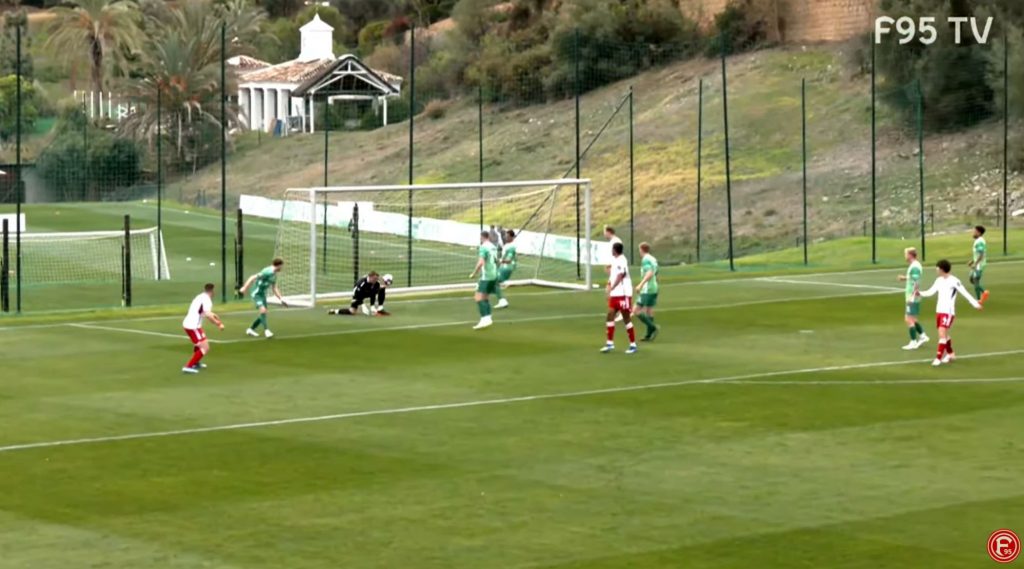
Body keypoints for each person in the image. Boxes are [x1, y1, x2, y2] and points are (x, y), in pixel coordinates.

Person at [917, 259, 982, 367]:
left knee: (942, 334)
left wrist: (975, 304)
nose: (936, 269)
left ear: (942, 269)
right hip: (939, 310)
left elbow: (964, 293)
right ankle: (951, 354)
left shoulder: (954, 281)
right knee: (945, 334)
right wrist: (920, 293)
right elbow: (931, 292)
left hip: (948, 311)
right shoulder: (938, 280)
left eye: (937, 267)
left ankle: (938, 358)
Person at [601, 241, 638, 354]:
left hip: (624, 293)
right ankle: (609, 343)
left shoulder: (622, 260)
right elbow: (613, 275)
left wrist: (612, 287)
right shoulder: (614, 260)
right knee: (610, 315)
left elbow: (620, 275)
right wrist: (609, 286)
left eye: (612, 249)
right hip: (615, 294)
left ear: (615, 250)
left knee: (626, 318)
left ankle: (633, 345)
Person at [181, 283, 224, 374]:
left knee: (199, 344)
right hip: (193, 326)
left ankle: (196, 363)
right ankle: (188, 366)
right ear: (212, 291)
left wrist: (213, 314)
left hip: (190, 324)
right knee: (205, 347)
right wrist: (218, 324)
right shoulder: (207, 300)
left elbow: (204, 311)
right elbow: (207, 314)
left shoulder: (200, 296)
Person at [240, 258, 285, 338]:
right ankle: (266, 330)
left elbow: (274, 288)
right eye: (281, 266)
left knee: (263, 313)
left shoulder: (274, 275)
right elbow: (252, 277)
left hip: (262, 294)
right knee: (263, 310)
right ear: (278, 265)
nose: (282, 268)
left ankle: (251, 329)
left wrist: (281, 299)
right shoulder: (267, 272)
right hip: (256, 293)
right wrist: (244, 288)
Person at [897, 247, 929, 350]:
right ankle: (923, 336)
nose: (905, 256)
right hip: (913, 295)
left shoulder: (915, 266)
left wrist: (913, 296)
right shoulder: (914, 266)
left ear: (910, 255)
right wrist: (905, 278)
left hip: (912, 296)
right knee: (913, 319)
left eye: (906, 254)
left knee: (908, 318)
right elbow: (914, 278)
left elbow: (916, 282)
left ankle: (913, 341)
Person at [469, 230, 498, 330]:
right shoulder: (493, 246)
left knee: (478, 297)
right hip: (494, 274)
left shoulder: (483, 247)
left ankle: (484, 319)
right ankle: (488, 318)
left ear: (481, 237)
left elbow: (481, 262)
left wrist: (474, 273)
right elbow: (496, 260)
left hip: (487, 276)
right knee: (485, 297)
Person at [328, 272, 392, 316]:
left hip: (367, 292)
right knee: (352, 311)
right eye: (375, 279)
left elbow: (373, 293)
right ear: (370, 277)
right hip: (357, 296)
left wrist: (372, 306)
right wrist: (363, 306)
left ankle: (380, 309)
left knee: (381, 288)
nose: (376, 280)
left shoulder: (375, 283)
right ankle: (335, 311)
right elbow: (357, 296)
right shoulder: (361, 283)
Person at [634, 242, 660, 341]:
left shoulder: (645, 259)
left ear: (641, 250)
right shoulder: (653, 259)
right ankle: (648, 335)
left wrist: (640, 285)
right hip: (654, 287)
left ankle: (653, 327)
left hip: (647, 288)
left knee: (636, 310)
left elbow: (649, 273)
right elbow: (656, 273)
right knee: (649, 310)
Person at [604, 226, 625, 322]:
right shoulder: (612, 241)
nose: (604, 234)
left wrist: (611, 266)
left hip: (616, 270)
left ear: (608, 232)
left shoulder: (616, 241)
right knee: (609, 291)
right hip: (613, 270)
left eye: (604, 232)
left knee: (611, 291)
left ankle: (621, 311)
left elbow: (618, 255)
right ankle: (618, 310)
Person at [495, 229, 517, 309]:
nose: (506, 237)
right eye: (505, 236)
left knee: (494, 281)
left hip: (507, 267)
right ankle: (501, 300)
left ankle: (502, 300)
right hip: (503, 266)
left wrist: (500, 260)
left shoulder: (512, 247)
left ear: (512, 237)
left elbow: (509, 260)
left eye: (507, 236)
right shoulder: (508, 245)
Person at [968, 225, 990, 305]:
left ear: (979, 232)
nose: (973, 232)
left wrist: (976, 263)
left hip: (979, 265)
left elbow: (981, 254)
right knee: (972, 279)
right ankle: (983, 293)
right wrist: (972, 261)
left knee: (975, 280)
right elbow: (977, 254)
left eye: (974, 231)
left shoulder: (980, 241)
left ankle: (979, 298)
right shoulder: (978, 240)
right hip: (977, 263)